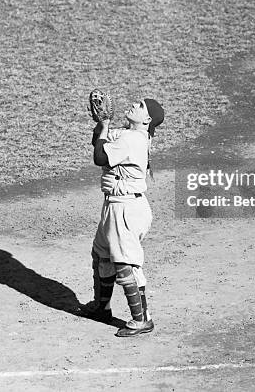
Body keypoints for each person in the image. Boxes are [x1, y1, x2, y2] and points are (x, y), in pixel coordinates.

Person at [82, 97, 164, 337]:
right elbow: (98, 141)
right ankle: (102, 307)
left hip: (126, 208)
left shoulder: (132, 140)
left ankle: (142, 319)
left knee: (125, 263)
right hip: (116, 205)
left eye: (140, 106)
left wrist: (105, 128)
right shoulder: (130, 134)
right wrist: (101, 123)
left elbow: (100, 157)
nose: (134, 105)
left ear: (147, 120)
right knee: (102, 255)